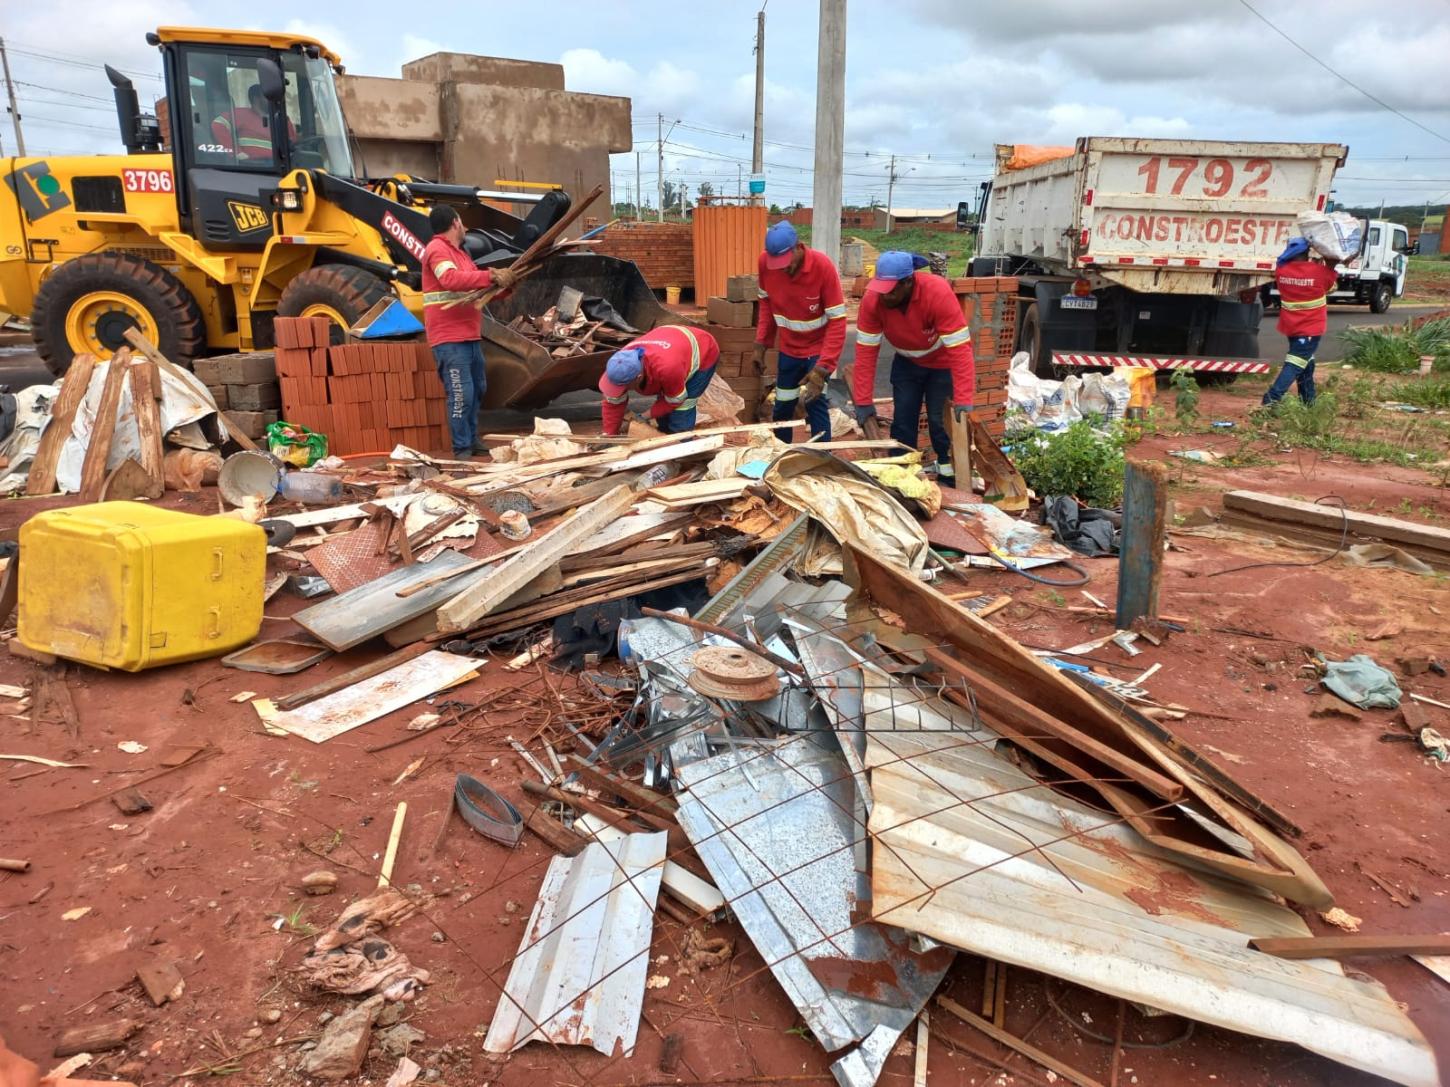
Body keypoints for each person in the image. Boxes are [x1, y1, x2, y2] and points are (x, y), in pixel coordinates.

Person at [851, 251, 974, 483]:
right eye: (881, 288)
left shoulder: (936, 292)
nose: (884, 296)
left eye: (891, 289)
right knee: (903, 420)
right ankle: (902, 475)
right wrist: (863, 401)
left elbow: (960, 350)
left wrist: (964, 399)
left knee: (940, 422)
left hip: (941, 364)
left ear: (909, 282)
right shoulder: (873, 300)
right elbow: (866, 353)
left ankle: (948, 473)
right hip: (906, 364)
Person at [421, 205, 517, 456]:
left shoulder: (461, 255)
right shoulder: (437, 250)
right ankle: (461, 448)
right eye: (462, 223)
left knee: (477, 390)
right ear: (455, 223)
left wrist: (505, 286)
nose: (465, 228)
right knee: (461, 393)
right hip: (449, 338)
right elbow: (451, 280)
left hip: (469, 335)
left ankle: (472, 440)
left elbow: (479, 288)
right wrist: (491, 276)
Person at [753, 220, 847, 442]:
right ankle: (782, 456)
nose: (782, 267)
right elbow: (766, 305)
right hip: (788, 349)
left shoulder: (822, 267)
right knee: (783, 407)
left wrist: (823, 369)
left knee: (816, 405)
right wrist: (761, 345)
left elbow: (838, 321)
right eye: (776, 263)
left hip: (816, 349)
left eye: (786, 261)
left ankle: (822, 460)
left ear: (798, 247)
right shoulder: (765, 263)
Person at [599, 324, 720, 436]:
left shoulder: (667, 368)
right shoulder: (620, 362)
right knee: (664, 410)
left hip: (703, 349)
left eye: (624, 386)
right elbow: (613, 402)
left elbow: (675, 400)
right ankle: (664, 435)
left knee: (682, 407)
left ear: (638, 377)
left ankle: (681, 446)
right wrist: (609, 434)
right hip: (670, 341)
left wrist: (643, 416)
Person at [1263, 237, 1336, 407]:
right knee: (1295, 362)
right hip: (1310, 327)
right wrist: (1331, 264)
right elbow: (1330, 287)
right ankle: (1272, 398)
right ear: (1307, 253)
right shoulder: (1318, 271)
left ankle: (1308, 402)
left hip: (1291, 325)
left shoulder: (1281, 271)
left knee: (1306, 362)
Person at [212, 83, 296, 163]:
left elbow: (292, 143)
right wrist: (237, 152)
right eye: (268, 97)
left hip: (281, 166)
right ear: (256, 99)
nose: (272, 101)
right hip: (255, 167)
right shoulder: (241, 114)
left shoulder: (280, 118)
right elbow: (218, 124)